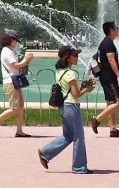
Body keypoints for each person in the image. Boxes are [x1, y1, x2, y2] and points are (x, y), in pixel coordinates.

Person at [37, 45, 95, 174]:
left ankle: (46, 152)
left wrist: (83, 86)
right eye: (75, 55)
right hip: (72, 106)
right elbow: (76, 95)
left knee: (68, 135)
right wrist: (87, 89)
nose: (77, 58)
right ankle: (79, 167)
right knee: (79, 137)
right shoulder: (70, 73)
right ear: (68, 58)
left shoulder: (59, 72)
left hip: (63, 107)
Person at [0, 29, 34, 137]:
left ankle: (19, 131)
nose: (17, 43)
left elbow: (17, 67)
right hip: (11, 82)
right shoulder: (7, 51)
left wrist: (27, 61)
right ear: (11, 39)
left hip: (14, 81)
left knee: (20, 107)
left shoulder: (9, 50)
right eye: (16, 40)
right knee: (15, 108)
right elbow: (15, 66)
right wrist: (26, 60)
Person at [90, 20, 119, 137]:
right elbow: (111, 60)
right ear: (111, 30)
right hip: (109, 77)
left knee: (110, 103)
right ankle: (97, 119)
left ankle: (113, 129)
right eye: (116, 28)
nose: (118, 29)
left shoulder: (105, 43)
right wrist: (118, 76)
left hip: (104, 76)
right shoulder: (108, 43)